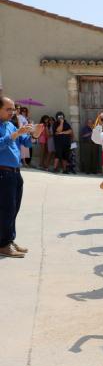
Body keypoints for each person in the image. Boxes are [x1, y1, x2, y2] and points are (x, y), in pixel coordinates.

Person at [0, 96, 35, 258]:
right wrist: (15, 135)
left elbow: (26, 143)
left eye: (13, 109)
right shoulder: (7, 128)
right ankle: (3, 244)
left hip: (15, 173)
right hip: (3, 172)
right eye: (8, 109)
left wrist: (34, 135)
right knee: (5, 210)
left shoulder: (9, 125)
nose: (12, 112)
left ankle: (9, 240)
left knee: (13, 209)